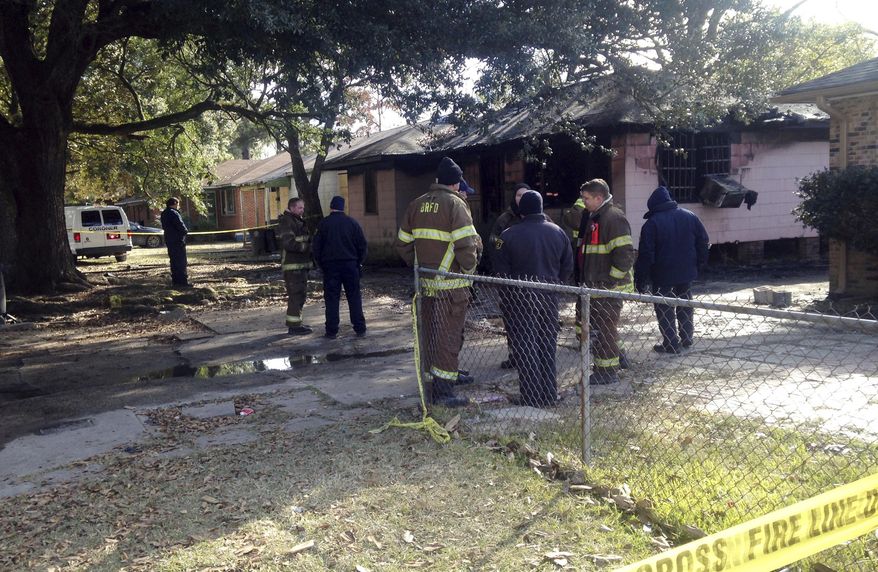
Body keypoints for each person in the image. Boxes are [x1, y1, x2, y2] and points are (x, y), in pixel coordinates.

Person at [396, 156, 481, 408]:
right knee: (449, 337)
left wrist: (421, 267)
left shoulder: (417, 204)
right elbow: (466, 244)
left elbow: (402, 243)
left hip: (425, 286)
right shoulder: (455, 204)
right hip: (452, 287)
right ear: (456, 184)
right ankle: (444, 393)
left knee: (431, 336)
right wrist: (468, 271)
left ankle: (438, 380)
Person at [495, 191, 573, 406]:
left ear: (521, 211)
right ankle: (549, 394)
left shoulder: (508, 235)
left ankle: (530, 396)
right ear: (541, 208)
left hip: (519, 299)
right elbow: (568, 266)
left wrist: (508, 297)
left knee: (525, 345)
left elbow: (501, 273)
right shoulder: (558, 233)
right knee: (547, 344)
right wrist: (555, 286)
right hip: (549, 298)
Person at [634, 186, 710, 353]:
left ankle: (670, 342)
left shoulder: (651, 224)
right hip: (686, 272)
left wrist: (640, 280)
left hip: (662, 275)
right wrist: (699, 265)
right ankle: (687, 337)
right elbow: (703, 242)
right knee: (685, 303)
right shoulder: (690, 217)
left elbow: (646, 255)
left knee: (664, 307)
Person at [576, 179, 635, 385]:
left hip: (608, 287)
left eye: (586, 199)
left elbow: (625, 254)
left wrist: (611, 281)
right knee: (606, 326)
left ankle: (606, 371)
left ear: (599, 198)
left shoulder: (613, 218)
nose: (583, 202)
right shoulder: (596, 217)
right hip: (597, 286)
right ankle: (620, 358)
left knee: (604, 329)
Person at [489, 182, 535, 370]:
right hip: (510, 283)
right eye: (518, 195)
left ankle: (532, 356)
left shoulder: (542, 219)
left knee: (534, 322)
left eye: (525, 195)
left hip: (535, 283)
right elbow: (494, 246)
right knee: (512, 321)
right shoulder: (504, 220)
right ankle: (515, 355)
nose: (521, 199)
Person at [312, 195, 368, 339]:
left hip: (330, 267)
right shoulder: (352, 223)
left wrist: (321, 265)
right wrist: (358, 262)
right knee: (354, 297)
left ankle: (331, 331)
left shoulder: (323, 224)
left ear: (331, 207)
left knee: (331, 299)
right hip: (350, 265)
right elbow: (362, 246)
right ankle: (359, 328)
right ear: (344, 207)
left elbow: (316, 248)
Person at [277, 197, 314, 335]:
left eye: (303, 208)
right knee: (296, 295)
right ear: (292, 208)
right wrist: (309, 247)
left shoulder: (296, 221)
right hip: (293, 267)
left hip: (299, 266)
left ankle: (297, 323)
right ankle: (294, 327)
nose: (302, 210)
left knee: (300, 295)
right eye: (300, 208)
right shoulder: (287, 221)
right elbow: (289, 244)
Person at [160, 197, 190, 287]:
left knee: (173, 261)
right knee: (181, 261)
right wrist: (185, 231)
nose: (179, 206)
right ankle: (182, 282)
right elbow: (181, 226)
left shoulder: (164, 213)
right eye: (178, 204)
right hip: (178, 240)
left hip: (169, 240)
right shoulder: (174, 213)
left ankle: (175, 281)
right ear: (174, 203)